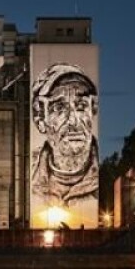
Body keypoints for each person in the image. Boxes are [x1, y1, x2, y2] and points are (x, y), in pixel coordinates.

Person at [30, 63, 99, 207]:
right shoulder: (31, 178)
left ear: (92, 112)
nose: (73, 121)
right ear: (40, 119)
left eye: (81, 106)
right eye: (59, 108)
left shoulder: (101, 180)